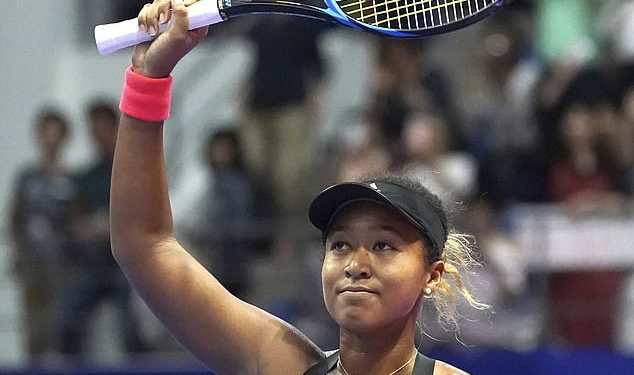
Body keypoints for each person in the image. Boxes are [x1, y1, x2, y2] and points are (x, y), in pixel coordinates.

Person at [110, 1, 487, 374]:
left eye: (383, 245)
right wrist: (148, 77)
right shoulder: (280, 363)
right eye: (340, 245)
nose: (356, 265)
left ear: (432, 276)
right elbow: (143, 245)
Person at [57, 101, 146, 356]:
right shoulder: (87, 176)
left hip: (130, 267)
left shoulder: (136, 168)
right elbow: (75, 219)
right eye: (92, 128)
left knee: (131, 325)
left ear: (114, 128)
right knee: (67, 316)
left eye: (101, 127)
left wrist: (110, 225)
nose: (96, 134)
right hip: (96, 264)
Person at [8, 109, 76, 362]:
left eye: (55, 133)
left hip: (61, 261)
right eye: (46, 132)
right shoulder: (27, 176)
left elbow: (75, 218)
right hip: (31, 260)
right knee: (33, 323)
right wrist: (17, 253)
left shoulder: (70, 177)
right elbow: (15, 217)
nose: (50, 139)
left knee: (58, 321)